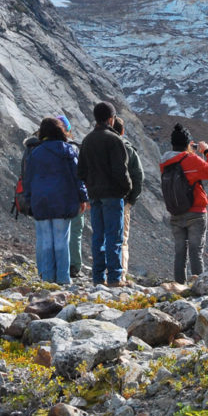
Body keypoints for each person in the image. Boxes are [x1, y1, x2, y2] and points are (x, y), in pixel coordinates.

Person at [24, 116, 87, 285]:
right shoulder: (68, 150)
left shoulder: (35, 152)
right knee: (61, 240)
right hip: (63, 201)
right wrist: (83, 197)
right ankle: (63, 278)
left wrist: (28, 199)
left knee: (45, 240)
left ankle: (46, 277)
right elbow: (78, 177)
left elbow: (28, 179)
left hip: (41, 202)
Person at [160, 122, 208, 284]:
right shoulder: (191, 160)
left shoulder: (165, 163)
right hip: (195, 212)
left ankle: (179, 287)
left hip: (175, 213)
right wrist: (207, 151)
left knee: (180, 252)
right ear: (188, 144)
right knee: (196, 251)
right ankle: (198, 287)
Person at [78, 101, 132, 286]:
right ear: (111, 119)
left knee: (98, 236)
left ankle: (98, 277)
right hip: (113, 194)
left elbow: (81, 172)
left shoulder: (87, 140)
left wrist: (91, 187)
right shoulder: (114, 140)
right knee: (114, 236)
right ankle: (115, 278)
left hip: (95, 194)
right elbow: (120, 170)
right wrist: (126, 188)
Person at [113, 115, 144, 280]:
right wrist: (132, 199)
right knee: (121, 239)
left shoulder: (98, 145)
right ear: (123, 131)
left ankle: (102, 275)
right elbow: (138, 176)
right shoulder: (128, 149)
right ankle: (120, 275)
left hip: (100, 198)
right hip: (123, 200)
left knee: (103, 236)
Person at [55, 112, 85, 278]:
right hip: (72, 196)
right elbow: (80, 175)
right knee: (74, 232)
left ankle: (57, 265)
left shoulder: (42, 149)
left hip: (53, 197)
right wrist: (84, 197)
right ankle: (74, 266)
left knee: (56, 231)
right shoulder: (73, 149)